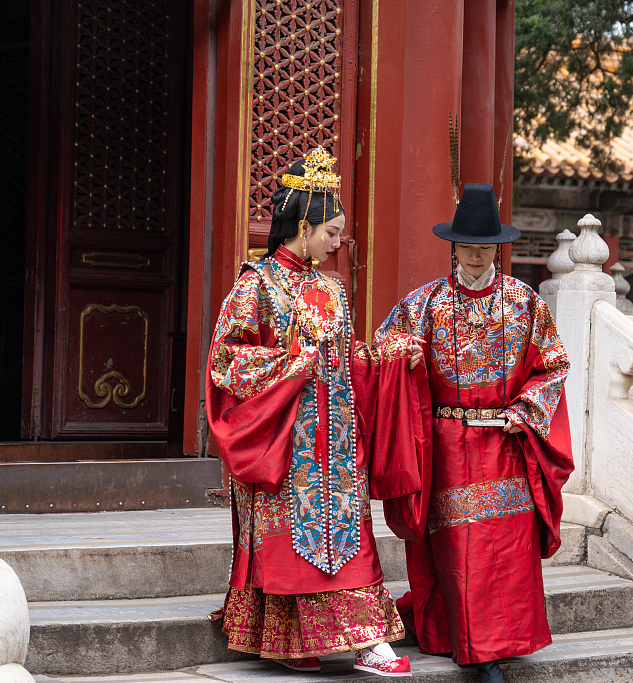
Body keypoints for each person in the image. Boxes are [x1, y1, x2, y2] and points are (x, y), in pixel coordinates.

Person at [206, 147, 430, 677]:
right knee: (292, 540)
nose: (337, 243)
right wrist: (294, 363)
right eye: (331, 232)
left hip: (339, 440)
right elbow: (226, 360)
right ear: (303, 227)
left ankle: (368, 640)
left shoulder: (331, 290)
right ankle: (294, 641)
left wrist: (389, 354)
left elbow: (347, 357)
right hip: (287, 438)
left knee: (347, 533)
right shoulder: (254, 285)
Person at [376, 182, 574, 683]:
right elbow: (383, 350)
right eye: (468, 246)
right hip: (447, 447)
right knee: (460, 550)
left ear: (497, 249)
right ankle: (479, 654)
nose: (477, 256)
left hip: (506, 443)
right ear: (454, 246)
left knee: (507, 551)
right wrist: (406, 359)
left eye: (486, 248)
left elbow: (553, 363)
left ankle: (500, 639)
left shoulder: (524, 302)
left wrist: (526, 408)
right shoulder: (424, 304)